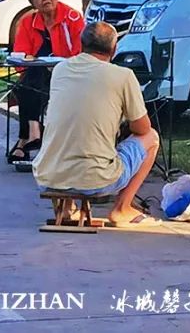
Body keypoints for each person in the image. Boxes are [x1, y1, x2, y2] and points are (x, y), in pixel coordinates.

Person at [33, 21, 161, 227]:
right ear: (114, 48)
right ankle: (122, 209)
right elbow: (142, 129)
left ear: (81, 44)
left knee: (69, 135)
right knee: (151, 138)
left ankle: (66, 208)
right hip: (97, 179)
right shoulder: (123, 75)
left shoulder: (60, 69)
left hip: (47, 175)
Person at [9, 0, 85, 162]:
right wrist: (30, 61)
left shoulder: (73, 18)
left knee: (29, 84)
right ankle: (33, 131)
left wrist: (57, 67)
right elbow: (20, 55)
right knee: (30, 79)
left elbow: (80, 54)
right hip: (37, 76)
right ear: (32, 2)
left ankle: (25, 139)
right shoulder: (28, 22)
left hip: (68, 74)